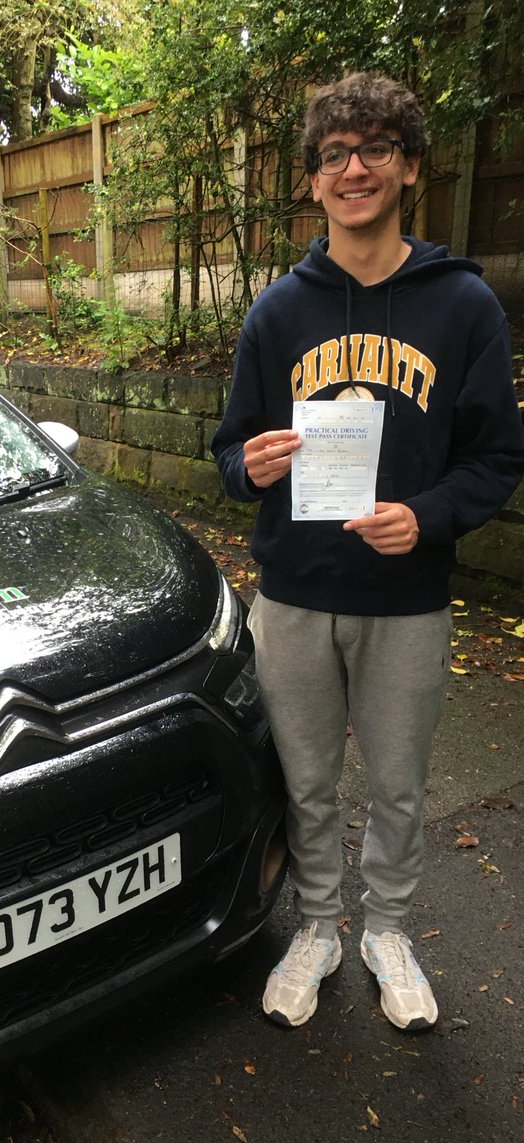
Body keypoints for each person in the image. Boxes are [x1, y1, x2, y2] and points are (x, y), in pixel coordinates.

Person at [211, 71, 524, 1032]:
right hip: (296, 596)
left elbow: (498, 456)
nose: (355, 169)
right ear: (313, 181)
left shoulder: (463, 306)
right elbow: (228, 457)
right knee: (305, 782)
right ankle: (318, 925)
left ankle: (387, 927)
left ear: (408, 168)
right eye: (335, 155)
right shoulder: (277, 313)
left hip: (407, 599)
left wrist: (425, 518)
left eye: (376, 150)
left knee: (395, 785)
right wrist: (252, 466)